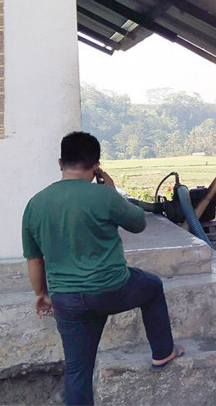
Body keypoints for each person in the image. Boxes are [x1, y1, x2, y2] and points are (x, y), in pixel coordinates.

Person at [22, 131, 183, 405]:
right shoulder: (103, 196)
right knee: (153, 286)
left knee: (77, 371)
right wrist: (111, 191)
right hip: (112, 289)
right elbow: (138, 223)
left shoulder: (35, 204)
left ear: (61, 163)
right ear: (96, 166)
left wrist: (41, 293)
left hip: (67, 300)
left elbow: (35, 260)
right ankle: (163, 352)